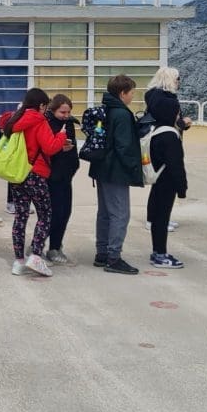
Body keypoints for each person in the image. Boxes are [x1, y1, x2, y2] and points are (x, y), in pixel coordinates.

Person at [4, 88, 67, 276]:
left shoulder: (15, 120)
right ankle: (36, 256)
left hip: (17, 174)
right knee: (46, 214)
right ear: (41, 105)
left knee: (20, 217)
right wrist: (62, 135)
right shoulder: (39, 121)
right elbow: (49, 147)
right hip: (36, 173)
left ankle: (19, 261)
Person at [89, 74, 144, 274]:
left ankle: (102, 253)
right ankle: (114, 257)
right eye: (131, 93)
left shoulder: (107, 109)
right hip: (116, 171)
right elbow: (124, 146)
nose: (132, 97)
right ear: (123, 93)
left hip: (102, 169)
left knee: (104, 213)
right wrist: (134, 168)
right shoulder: (121, 114)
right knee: (120, 214)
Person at [144, 67, 193, 232]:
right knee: (164, 183)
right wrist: (183, 123)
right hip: (165, 143)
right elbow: (167, 123)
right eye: (178, 78)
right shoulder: (165, 100)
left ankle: (158, 218)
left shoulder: (154, 96)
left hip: (158, 142)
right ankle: (157, 220)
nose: (179, 82)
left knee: (160, 183)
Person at [145, 96, 187, 269]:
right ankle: (160, 254)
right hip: (167, 181)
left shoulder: (156, 130)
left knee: (157, 217)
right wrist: (182, 187)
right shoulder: (170, 135)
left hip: (158, 179)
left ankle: (157, 251)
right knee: (162, 217)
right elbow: (176, 163)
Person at [43, 94, 79, 265]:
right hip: (52, 175)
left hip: (66, 174)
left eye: (68, 112)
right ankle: (42, 245)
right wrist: (59, 148)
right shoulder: (47, 123)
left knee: (65, 212)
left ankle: (56, 245)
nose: (66, 115)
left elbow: (72, 147)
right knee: (54, 213)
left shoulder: (69, 123)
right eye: (62, 112)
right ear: (53, 109)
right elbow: (47, 148)